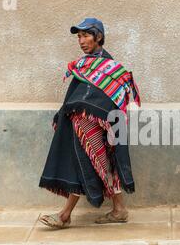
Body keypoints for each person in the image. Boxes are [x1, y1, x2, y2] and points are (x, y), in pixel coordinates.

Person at [38, 18, 140, 229]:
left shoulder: (111, 67)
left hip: (102, 125)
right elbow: (77, 96)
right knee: (96, 163)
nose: (81, 41)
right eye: (79, 37)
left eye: (85, 35)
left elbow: (114, 97)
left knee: (91, 162)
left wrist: (95, 113)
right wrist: (68, 111)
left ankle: (65, 215)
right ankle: (118, 209)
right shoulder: (83, 66)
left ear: (98, 37)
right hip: (82, 123)